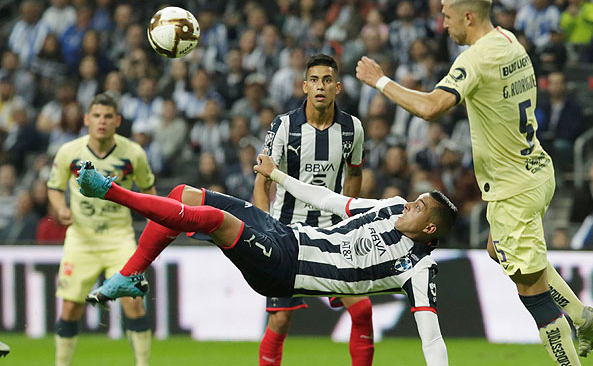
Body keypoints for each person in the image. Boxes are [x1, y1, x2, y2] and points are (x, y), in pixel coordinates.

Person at [355, 0, 593, 363]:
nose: (443, 24)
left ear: (468, 16)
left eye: (447, 16)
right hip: (536, 170)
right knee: (497, 248)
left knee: (532, 291)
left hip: (513, 188)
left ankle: (572, 351)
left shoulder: (475, 59)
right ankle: (582, 317)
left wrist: (381, 81)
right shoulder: (509, 41)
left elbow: (431, 107)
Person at [76, 155, 457, 366]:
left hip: (284, 269)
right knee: (184, 194)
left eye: (419, 207)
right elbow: (331, 201)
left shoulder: (419, 269)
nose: (409, 203)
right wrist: (280, 176)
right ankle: (131, 275)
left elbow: (433, 339)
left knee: (213, 220)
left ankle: (109, 191)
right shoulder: (390, 208)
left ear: (429, 230)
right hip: (284, 232)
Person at [252, 54, 372, 366]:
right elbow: (262, 180)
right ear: (305, 86)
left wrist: (350, 217)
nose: (321, 86)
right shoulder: (284, 126)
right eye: (315, 80)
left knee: (362, 309)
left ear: (338, 88)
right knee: (280, 321)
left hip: (332, 235)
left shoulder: (352, 129)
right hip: (286, 233)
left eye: (327, 80)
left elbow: (355, 173)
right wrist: (265, 227)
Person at [47, 94, 155, 366]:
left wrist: (153, 224)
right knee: (71, 306)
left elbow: (149, 191)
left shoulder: (134, 154)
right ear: (86, 119)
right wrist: (61, 208)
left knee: (133, 302)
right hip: (81, 239)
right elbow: (54, 187)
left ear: (117, 120)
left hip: (119, 237)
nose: (102, 122)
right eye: (96, 116)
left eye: (108, 116)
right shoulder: (69, 152)